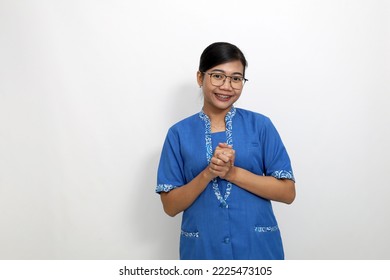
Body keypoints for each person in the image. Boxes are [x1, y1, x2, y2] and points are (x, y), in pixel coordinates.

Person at [155, 42, 296, 260]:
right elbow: (171, 206)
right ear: (200, 78)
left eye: (236, 78)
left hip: (257, 250)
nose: (227, 86)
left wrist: (232, 173)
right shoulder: (178, 134)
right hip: (203, 250)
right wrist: (208, 173)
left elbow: (287, 193)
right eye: (218, 76)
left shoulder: (260, 126)